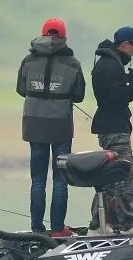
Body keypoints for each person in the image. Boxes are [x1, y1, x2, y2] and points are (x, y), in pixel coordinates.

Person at [16, 18, 85, 237]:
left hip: (34, 125)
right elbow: (80, 96)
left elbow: (20, 89)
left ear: (43, 34)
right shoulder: (73, 64)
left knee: (37, 179)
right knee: (60, 179)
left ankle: (37, 229)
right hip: (61, 128)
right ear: (64, 37)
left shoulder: (28, 60)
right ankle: (57, 229)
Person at [89, 25, 133, 235]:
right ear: (125, 44)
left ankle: (97, 225)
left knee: (108, 181)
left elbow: (116, 95)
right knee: (126, 177)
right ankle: (127, 225)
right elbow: (117, 98)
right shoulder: (111, 65)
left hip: (109, 127)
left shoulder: (107, 63)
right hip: (115, 129)